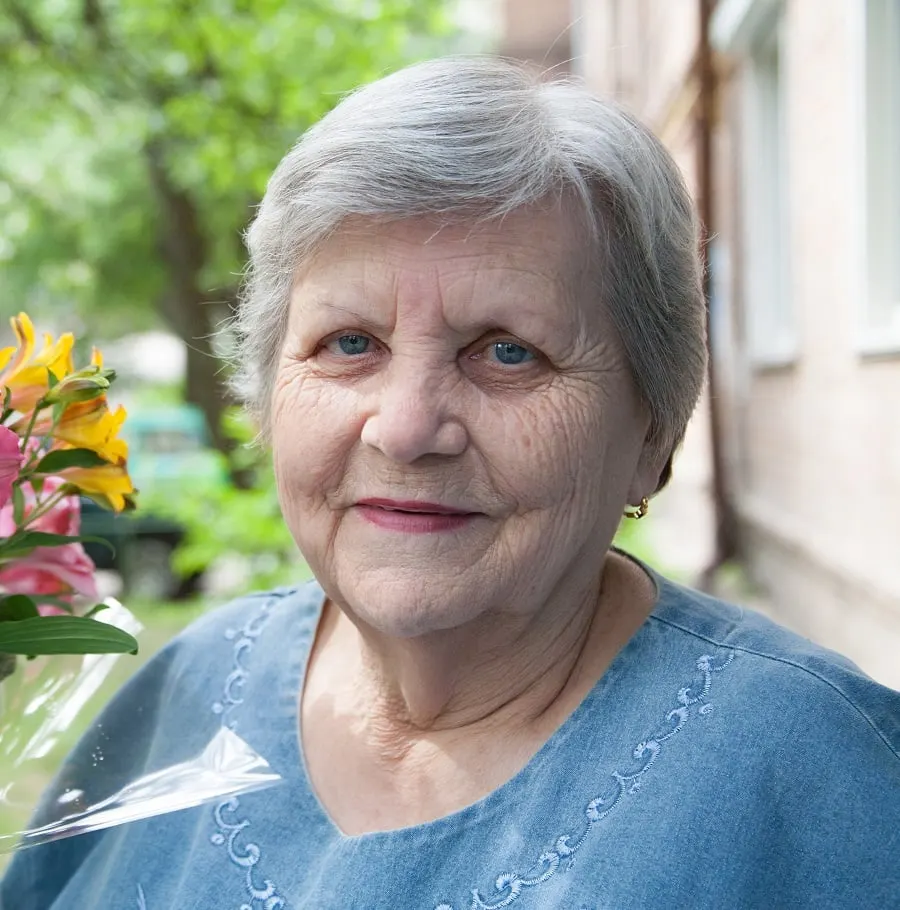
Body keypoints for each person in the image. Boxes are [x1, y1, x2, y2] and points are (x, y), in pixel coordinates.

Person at [2, 56, 899, 910]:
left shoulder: (822, 775)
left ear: (652, 431)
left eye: (510, 352)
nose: (405, 428)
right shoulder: (191, 685)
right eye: (349, 343)